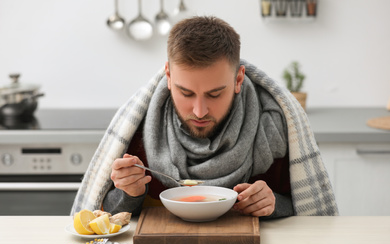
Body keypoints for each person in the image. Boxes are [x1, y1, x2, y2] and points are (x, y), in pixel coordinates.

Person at [71, 16, 338, 218]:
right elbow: (105, 214)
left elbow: (308, 209)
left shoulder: (273, 128)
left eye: (214, 94)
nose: (199, 111)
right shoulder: (138, 131)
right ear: (168, 77)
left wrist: (274, 204)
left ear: (238, 79)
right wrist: (130, 193)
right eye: (185, 93)